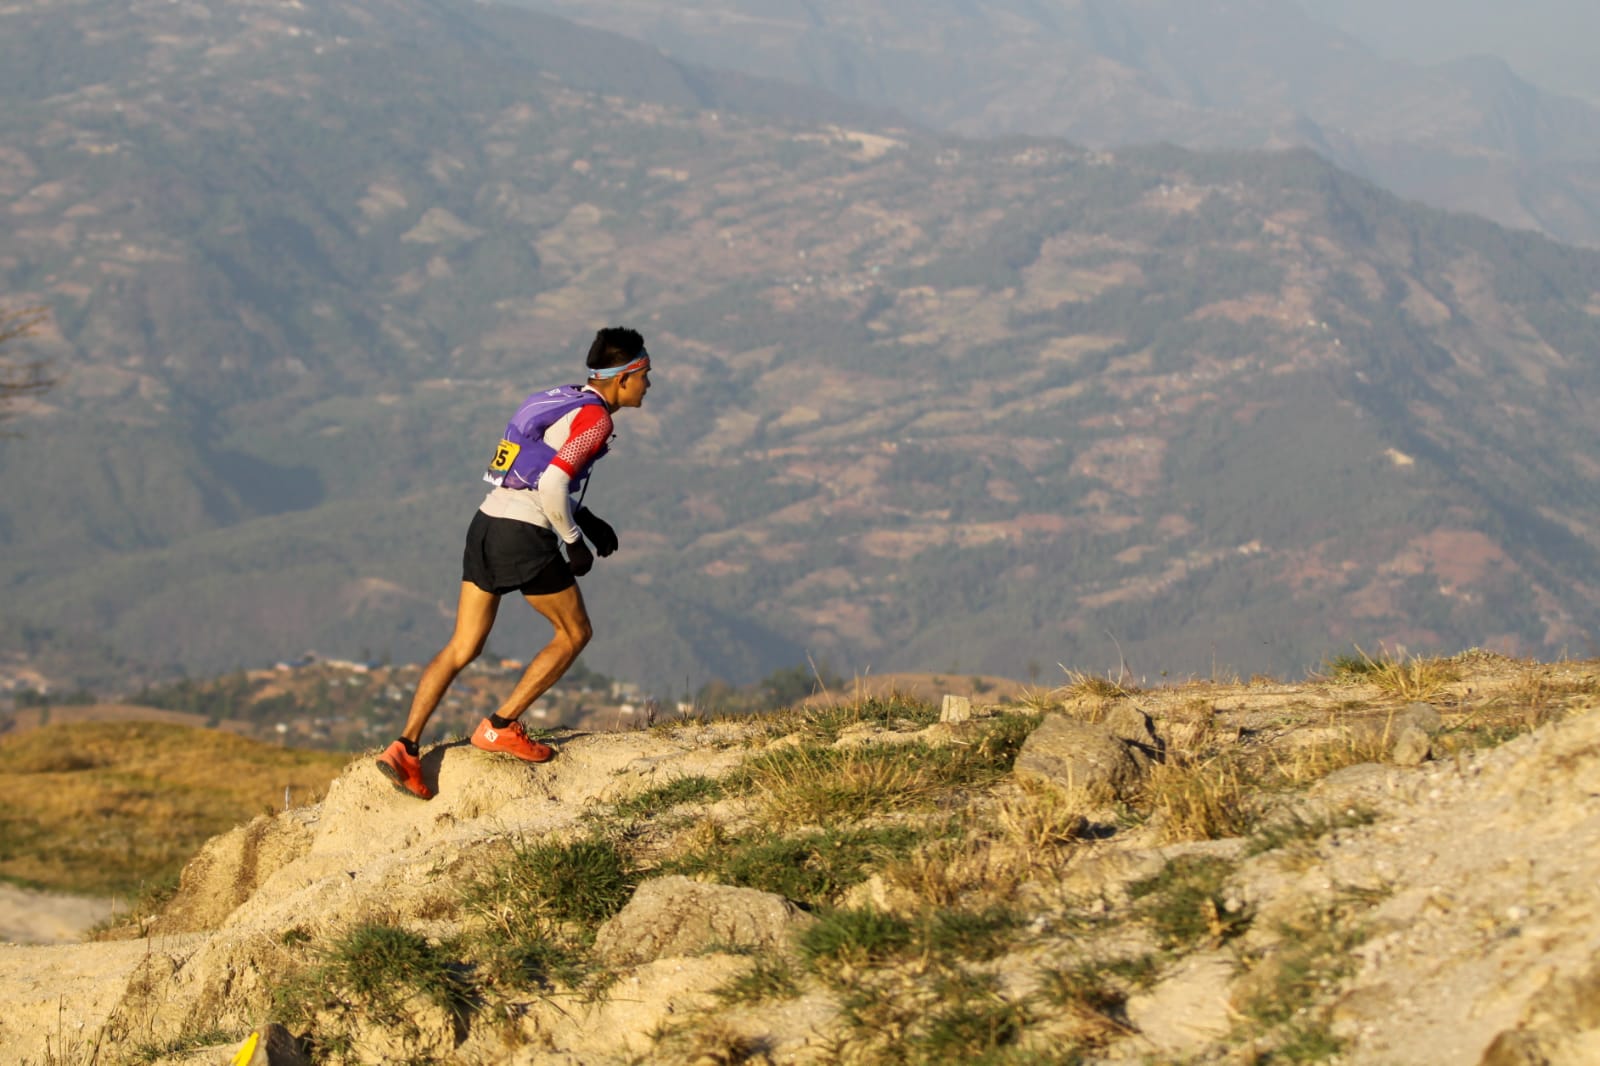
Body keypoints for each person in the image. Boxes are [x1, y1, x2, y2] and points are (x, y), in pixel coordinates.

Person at [375, 327, 653, 799]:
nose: (649, 385)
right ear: (623, 377)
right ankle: (499, 726)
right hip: (524, 534)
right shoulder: (597, 422)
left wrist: (587, 518)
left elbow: (535, 471)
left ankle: (404, 748)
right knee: (574, 633)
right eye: (645, 375)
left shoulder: (558, 398)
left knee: (462, 645)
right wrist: (574, 541)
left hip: (486, 522)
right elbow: (549, 487)